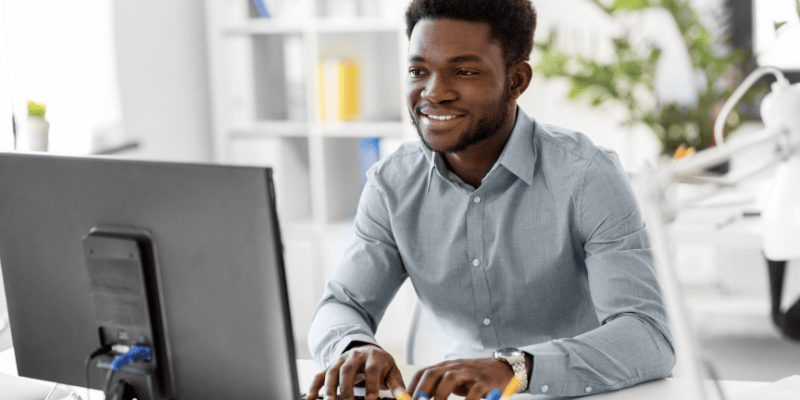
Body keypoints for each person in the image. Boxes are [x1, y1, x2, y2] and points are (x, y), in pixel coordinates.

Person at [307, 1, 675, 399]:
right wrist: (353, 348)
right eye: (418, 71)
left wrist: (513, 368)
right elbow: (341, 304)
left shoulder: (587, 176)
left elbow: (647, 334)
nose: (434, 93)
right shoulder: (391, 184)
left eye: (464, 71)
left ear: (516, 80)